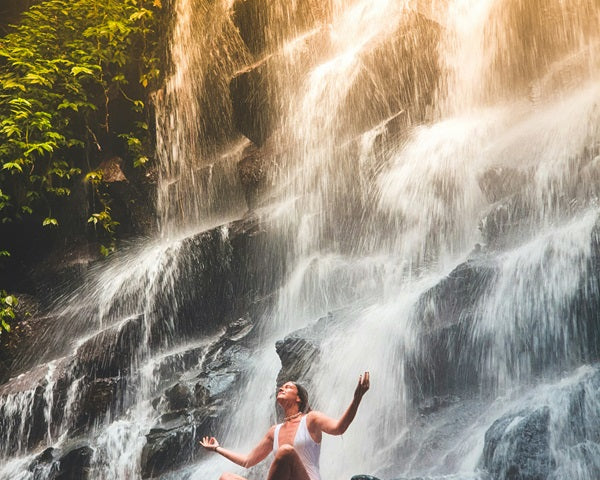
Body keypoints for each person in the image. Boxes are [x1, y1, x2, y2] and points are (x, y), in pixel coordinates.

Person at [200, 372, 371, 480]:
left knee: (286, 451)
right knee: (226, 477)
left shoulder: (311, 419)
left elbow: (339, 428)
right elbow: (247, 461)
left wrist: (357, 399)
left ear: (298, 398)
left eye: (288, 387)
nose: (282, 388)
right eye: (281, 387)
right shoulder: (275, 431)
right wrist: (217, 449)